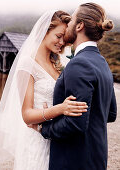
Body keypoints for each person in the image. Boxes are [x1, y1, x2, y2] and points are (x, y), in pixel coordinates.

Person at [0, 10, 88, 170]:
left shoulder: (59, 64)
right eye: (58, 36)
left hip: (57, 137)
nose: (61, 43)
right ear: (44, 31)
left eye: (64, 39)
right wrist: (60, 109)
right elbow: (27, 115)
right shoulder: (27, 63)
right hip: (36, 142)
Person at [40, 3, 117, 170]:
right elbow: (110, 114)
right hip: (97, 159)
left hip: (73, 161)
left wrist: (44, 128)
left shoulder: (78, 64)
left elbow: (75, 124)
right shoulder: (103, 63)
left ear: (80, 25)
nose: (68, 25)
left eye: (72, 19)